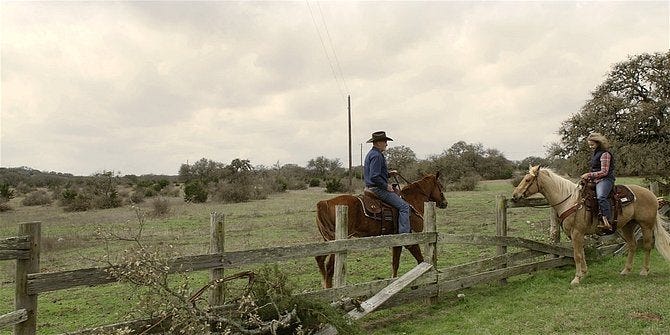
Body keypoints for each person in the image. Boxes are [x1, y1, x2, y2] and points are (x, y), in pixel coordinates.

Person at [364, 131, 411, 234]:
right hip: (377, 189)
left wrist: (389, 174)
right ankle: (404, 235)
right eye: (385, 141)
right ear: (378, 143)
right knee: (404, 207)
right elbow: (374, 176)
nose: (386, 144)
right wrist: (386, 186)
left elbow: (376, 173)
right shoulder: (377, 156)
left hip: (371, 187)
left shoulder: (372, 154)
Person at [580, 132, 616, 230]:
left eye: (592, 144)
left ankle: (607, 221)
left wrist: (589, 175)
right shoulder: (595, 154)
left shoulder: (605, 154)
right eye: (589, 145)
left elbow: (604, 171)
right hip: (596, 180)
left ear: (598, 143)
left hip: (605, 179)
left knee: (601, 196)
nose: (591, 147)